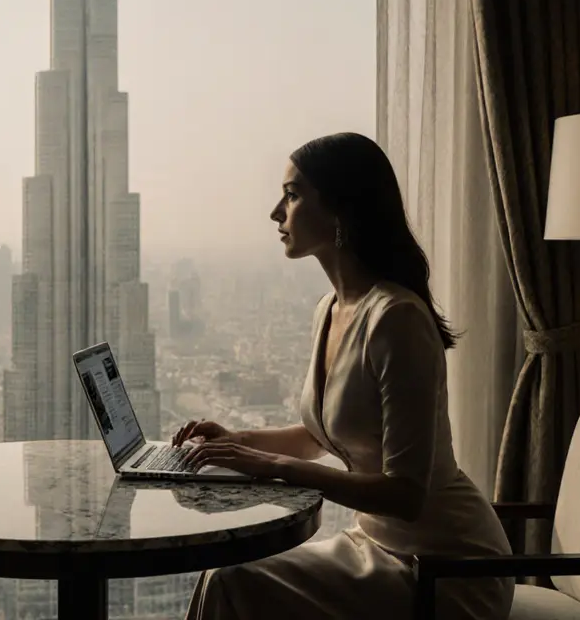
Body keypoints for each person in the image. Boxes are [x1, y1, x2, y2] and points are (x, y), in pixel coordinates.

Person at [175, 133, 513, 620]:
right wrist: (235, 441)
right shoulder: (329, 311)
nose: (276, 212)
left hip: (443, 566)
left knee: (232, 584)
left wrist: (270, 465)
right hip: (376, 545)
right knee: (223, 577)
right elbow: (319, 437)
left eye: (292, 195)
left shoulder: (396, 319)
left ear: (340, 209)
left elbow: (406, 493)